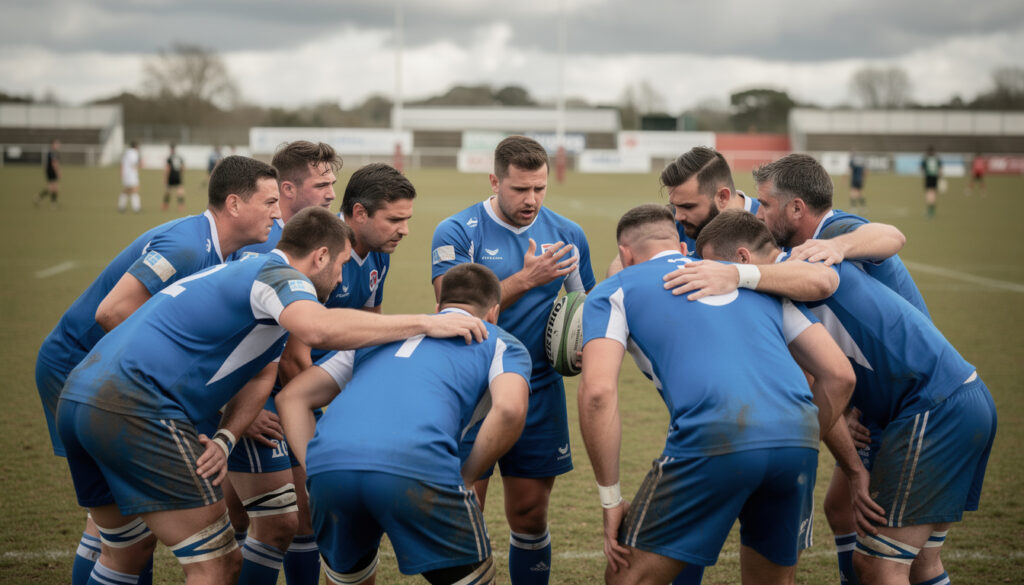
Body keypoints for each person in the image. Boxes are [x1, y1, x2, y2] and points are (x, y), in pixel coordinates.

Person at [55, 207, 489, 585]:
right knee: (217, 565)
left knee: (122, 550)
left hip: (79, 398)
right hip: (134, 406)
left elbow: (262, 370)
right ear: (320, 256)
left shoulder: (245, 277)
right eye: (338, 266)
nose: (340, 279)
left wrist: (227, 437)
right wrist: (424, 323)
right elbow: (319, 328)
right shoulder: (277, 273)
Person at [697, 209, 997, 585]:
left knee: (878, 566)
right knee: (918, 562)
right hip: (953, 402)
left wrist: (734, 277)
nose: (712, 278)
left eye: (713, 267)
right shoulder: (780, 293)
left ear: (741, 257)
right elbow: (820, 384)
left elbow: (823, 282)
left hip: (934, 408)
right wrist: (853, 467)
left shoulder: (802, 261)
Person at [35, 154, 284, 585]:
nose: (278, 213)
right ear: (234, 204)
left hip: (111, 382)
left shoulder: (228, 253)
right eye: (269, 202)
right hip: (79, 369)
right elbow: (112, 313)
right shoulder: (187, 245)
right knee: (123, 530)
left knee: (124, 536)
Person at [578, 204, 855, 585]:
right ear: (681, 245)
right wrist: (798, 437)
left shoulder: (615, 289)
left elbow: (597, 393)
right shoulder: (753, 283)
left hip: (715, 433)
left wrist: (611, 500)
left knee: (628, 577)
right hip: (797, 439)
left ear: (624, 255)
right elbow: (840, 375)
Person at [276, 262, 532, 585]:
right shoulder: (498, 341)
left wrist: (314, 469)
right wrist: (466, 477)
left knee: (348, 577)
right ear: (494, 312)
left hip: (331, 465)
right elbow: (509, 410)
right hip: (415, 462)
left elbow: (290, 399)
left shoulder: (382, 333)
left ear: (438, 307)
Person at [749, 153, 931, 585]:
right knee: (841, 508)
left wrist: (838, 246)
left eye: (765, 204)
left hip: (908, 400)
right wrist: (850, 408)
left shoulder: (834, 229)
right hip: (882, 399)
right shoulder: (802, 249)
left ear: (796, 208)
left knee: (894, 557)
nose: (758, 213)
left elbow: (890, 234)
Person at [430, 135, 595, 585]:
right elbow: (453, 308)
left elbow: (586, 311)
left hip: (536, 388)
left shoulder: (567, 236)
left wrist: (583, 347)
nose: (532, 199)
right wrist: (526, 278)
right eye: (520, 189)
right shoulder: (458, 231)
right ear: (494, 181)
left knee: (530, 513)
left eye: (539, 188)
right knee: (464, 512)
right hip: (470, 390)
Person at [215, 140, 343, 585]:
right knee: (279, 521)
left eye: (334, 183)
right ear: (287, 189)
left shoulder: (320, 238)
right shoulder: (259, 246)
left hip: (279, 393)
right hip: (256, 399)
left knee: (287, 520)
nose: (331, 193)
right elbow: (282, 346)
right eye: (321, 184)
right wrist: (237, 412)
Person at [35, 138, 61, 208]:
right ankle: (52, 203)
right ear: (52, 145)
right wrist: (58, 172)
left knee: (52, 188)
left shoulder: (52, 152)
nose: (58, 145)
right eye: (57, 144)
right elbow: (54, 163)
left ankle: (39, 198)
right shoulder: (53, 153)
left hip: (49, 171)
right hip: (51, 171)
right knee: (54, 187)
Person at [119, 140, 142, 213]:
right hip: (131, 175)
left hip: (126, 175)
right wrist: (139, 167)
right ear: (136, 146)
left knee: (126, 190)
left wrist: (122, 173)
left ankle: (121, 206)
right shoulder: (134, 153)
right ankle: (136, 208)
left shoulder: (127, 152)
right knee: (135, 190)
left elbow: (122, 164)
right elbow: (134, 164)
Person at [163, 143, 186, 212]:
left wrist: (165, 178)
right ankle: (181, 206)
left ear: (171, 149)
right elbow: (183, 167)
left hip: (171, 176)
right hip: (178, 176)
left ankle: (165, 205)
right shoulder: (179, 157)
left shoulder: (169, 158)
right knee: (180, 192)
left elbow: (168, 168)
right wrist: (180, 173)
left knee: (168, 191)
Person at [921, 147, 942, 219]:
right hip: (935, 177)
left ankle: (929, 211)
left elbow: (922, 169)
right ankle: (932, 210)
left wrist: (924, 177)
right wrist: (940, 177)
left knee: (929, 193)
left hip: (928, 177)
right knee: (933, 193)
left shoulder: (926, 159)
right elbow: (940, 169)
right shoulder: (937, 159)